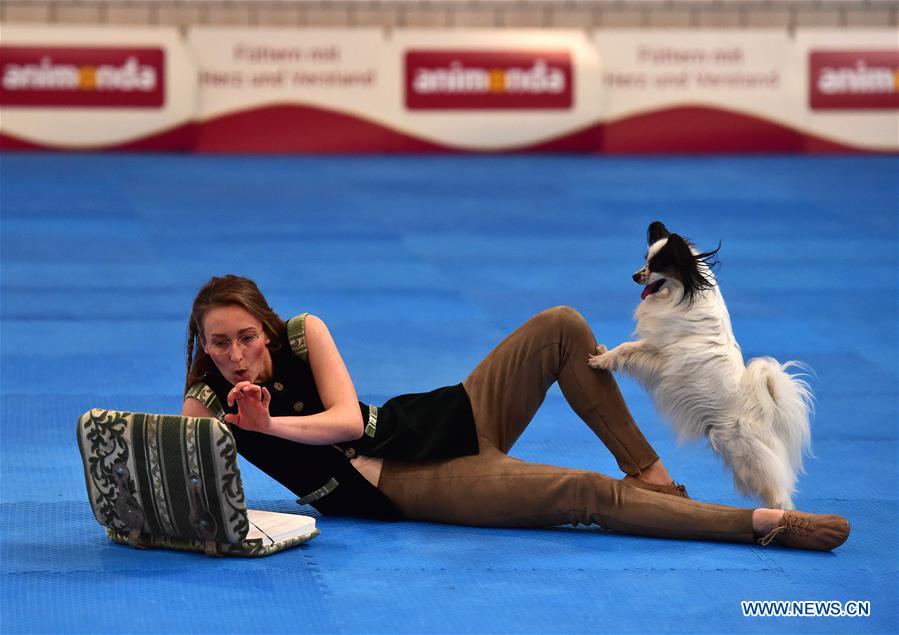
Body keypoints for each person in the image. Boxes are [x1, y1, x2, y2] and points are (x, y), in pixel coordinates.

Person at [181, 275, 849, 551]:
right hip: (415, 485)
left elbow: (348, 423)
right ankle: (761, 523)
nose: (236, 354)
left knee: (561, 325)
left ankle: (649, 474)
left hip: (446, 416)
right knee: (580, 492)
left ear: (264, 329)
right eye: (219, 342)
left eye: (245, 336)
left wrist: (268, 425)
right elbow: (182, 468)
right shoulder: (210, 401)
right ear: (203, 347)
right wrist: (233, 429)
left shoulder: (302, 332)